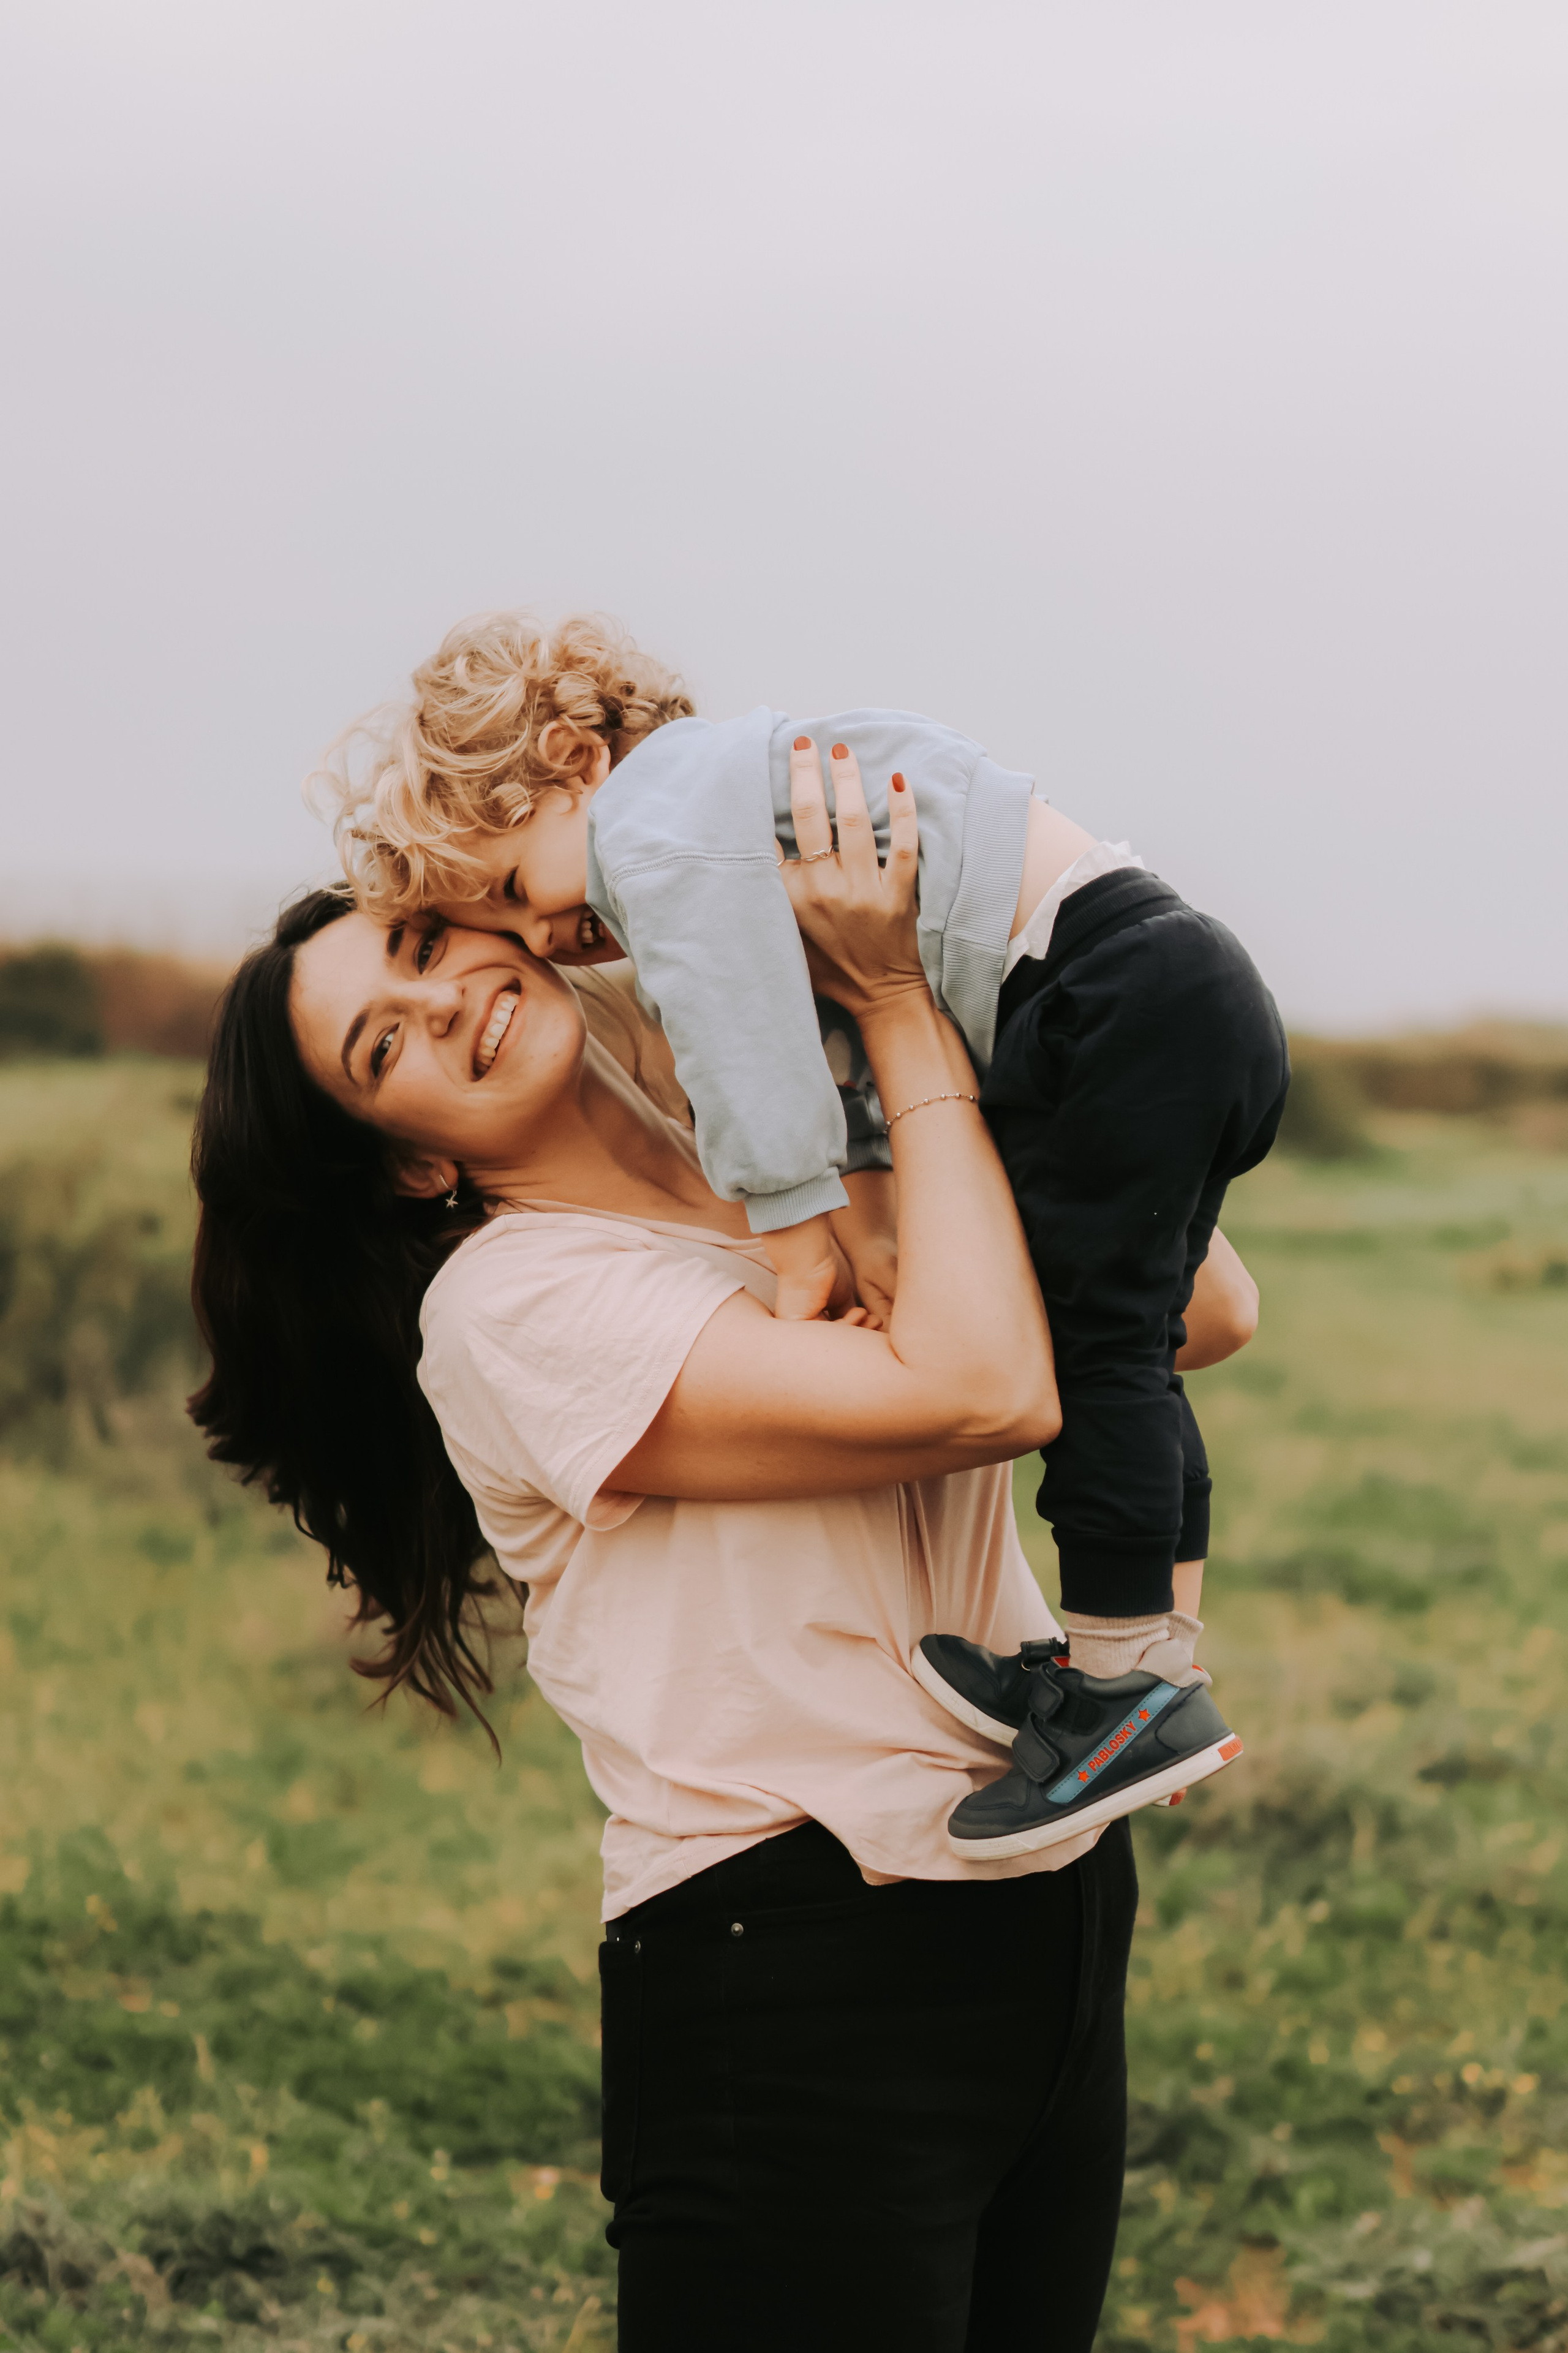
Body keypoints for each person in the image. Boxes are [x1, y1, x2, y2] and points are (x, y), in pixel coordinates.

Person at [187, 766, 1250, 2348]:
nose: (444, 1000)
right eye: (382, 1043)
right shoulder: (515, 1306)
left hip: (1049, 1897)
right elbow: (986, 1390)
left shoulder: (776, 1149)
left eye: (423, 944)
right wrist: (891, 1005)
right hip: (798, 1951)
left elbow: (1204, 1307)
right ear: (410, 1164)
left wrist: (841, 981)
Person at [315, 611, 1286, 1851]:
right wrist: (878, 1169)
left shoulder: (655, 823)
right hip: (1154, 979)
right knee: (1120, 1346)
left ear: (574, 761)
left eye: (511, 892)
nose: (544, 937)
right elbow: (838, 1046)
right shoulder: (729, 806)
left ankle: (1125, 1689)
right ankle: (1149, 1666)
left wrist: (799, 1240)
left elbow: (751, 1050)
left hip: (1099, 993)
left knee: (1108, 1347)